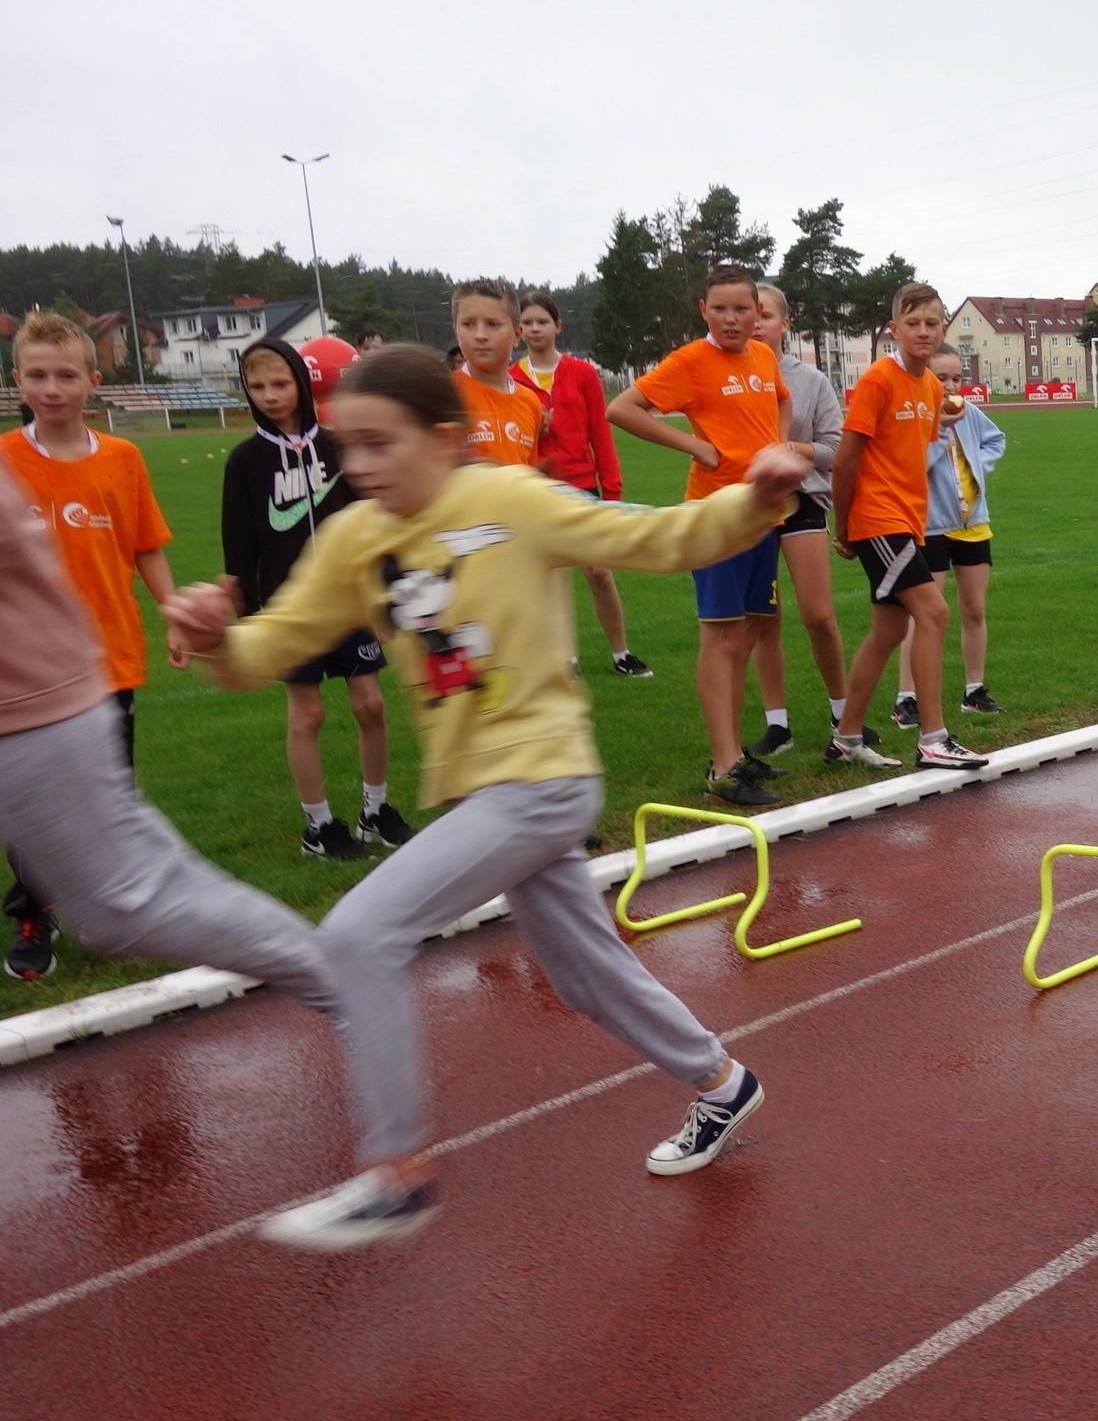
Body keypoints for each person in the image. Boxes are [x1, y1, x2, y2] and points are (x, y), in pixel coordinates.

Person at [161, 345, 807, 1247]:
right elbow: (272, 646)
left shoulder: (510, 499)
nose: (359, 465)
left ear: (445, 439)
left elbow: (656, 537)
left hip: (542, 778)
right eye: (348, 446)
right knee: (585, 973)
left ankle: (396, 1172)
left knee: (357, 933)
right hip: (481, 796)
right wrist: (215, 639)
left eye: (381, 444)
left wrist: (757, 497)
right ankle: (721, 1082)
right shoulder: (353, 538)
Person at [0, 453, 375, 1214]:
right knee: (125, 888)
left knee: (118, 901)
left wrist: (200, 627)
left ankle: (342, 982)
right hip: (47, 686)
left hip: (30, 696)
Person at [2, 312, 180, 980]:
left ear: (93, 382)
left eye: (66, 375)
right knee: (31, 803)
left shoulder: (123, 459)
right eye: (37, 375)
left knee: (110, 798)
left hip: (109, 658)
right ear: (17, 380)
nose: (51, 388)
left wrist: (173, 614)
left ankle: (108, 908)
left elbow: (146, 545)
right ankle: (35, 910)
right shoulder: (2, 459)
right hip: (25, 668)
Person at [606, 265, 796, 805]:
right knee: (721, 638)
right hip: (715, 519)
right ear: (703, 311)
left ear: (758, 311)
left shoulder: (762, 356)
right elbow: (622, 408)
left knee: (748, 634)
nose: (732, 319)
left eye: (743, 309)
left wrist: (778, 446)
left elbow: (781, 399)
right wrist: (694, 446)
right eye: (720, 309)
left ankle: (732, 755)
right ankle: (722, 766)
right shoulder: (690, 361)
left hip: (761, 515)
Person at [222, 335, 414, 860]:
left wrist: (386, 585)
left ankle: (375, 811)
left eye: (280, 383)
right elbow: (237, 543)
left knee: (370, 704)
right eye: (257, 386)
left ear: (302, 384)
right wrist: (248, 615)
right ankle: (319, 825)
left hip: (352, 602)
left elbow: (372, 518)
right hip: (290, 610)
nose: (270, 395)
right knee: (306, 715)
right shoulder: (245, 461)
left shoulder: (336, 445)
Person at [823, 282, 989, 772]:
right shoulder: (879, 380)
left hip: (908, 521)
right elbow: (844, 461)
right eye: (912, 323)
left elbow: (917, 446)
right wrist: (845, 528)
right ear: (894, 329)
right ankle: (933, 739)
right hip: (878, 520)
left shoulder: (931, 386)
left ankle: (846, 737)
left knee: (889, 630)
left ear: (943, 329)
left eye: (932, 323)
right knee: (934, 613)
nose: (922, 331)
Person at [742, 284, 865, 765]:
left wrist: (792, 450)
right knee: (762, 619)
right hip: (750, 507)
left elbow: (835, 449)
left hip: (803, 501)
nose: (755, 323)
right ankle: (778, 726)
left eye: (765, 314)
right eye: (749, 313)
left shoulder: (810, 381)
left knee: (819, 616)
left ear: (785, 324)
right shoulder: (730, 377)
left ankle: (843, 715)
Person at [514, 291, 650, 679]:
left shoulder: (583, 374)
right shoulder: (511, 380)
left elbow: (600, 436)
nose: (535, 329)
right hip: (536, 491)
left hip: (582, 487)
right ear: (519, 330)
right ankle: (565, 659)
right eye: (527, 323)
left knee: (599, 573)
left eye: (543, 321)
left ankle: (621, 653)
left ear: (558, 326)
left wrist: (612, 493)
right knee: (552, 578)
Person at [894, 345, 1010, 724]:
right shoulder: (917, 417)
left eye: (957, 378)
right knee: (924, 614)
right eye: (941, 378)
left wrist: (979, 463)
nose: (950, 385)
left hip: (973, 524)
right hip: (931, 526)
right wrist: (939, 430)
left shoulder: (969, 412)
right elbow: (909, 465)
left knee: (974, 609)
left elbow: (996, 440)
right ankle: (907, 698)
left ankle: (974, 691)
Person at [450, 281, 543, 469]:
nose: (480, 335)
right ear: (456, 332)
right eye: (468, 324)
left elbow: (529, 473)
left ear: (517, 335)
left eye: (492, 324)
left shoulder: (531, 402)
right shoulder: (446, 393)